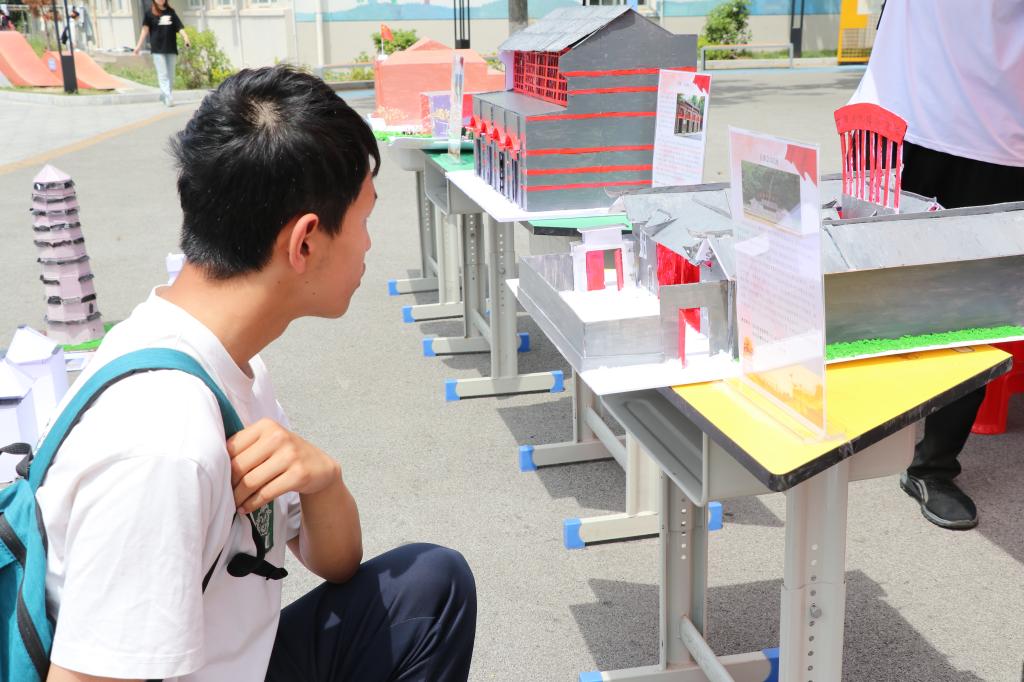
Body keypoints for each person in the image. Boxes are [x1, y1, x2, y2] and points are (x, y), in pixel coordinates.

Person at [37, 65, 477, 682]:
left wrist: (323, 482)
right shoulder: (162, 445)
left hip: (238, 659)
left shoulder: (222, 358)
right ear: (305, 242)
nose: (369, 244)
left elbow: (337, 563)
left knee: (431, 584)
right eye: (364, 219)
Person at [850, 0, 1024, 530]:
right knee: (878, 289)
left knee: (979, 312)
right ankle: (868, 424)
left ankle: (933, 466)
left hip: (1001, 141)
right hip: (902, 123)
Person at [133, 0, 190, 107]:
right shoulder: (149, 13)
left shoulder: (171, 12)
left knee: (171, 75)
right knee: (163, 74)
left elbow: (179, 27)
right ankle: (168, 97)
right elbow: (145, 30)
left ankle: (166, 95)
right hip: (157, 49)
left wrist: (186, 37)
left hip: (171, 48)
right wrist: (138, 46)